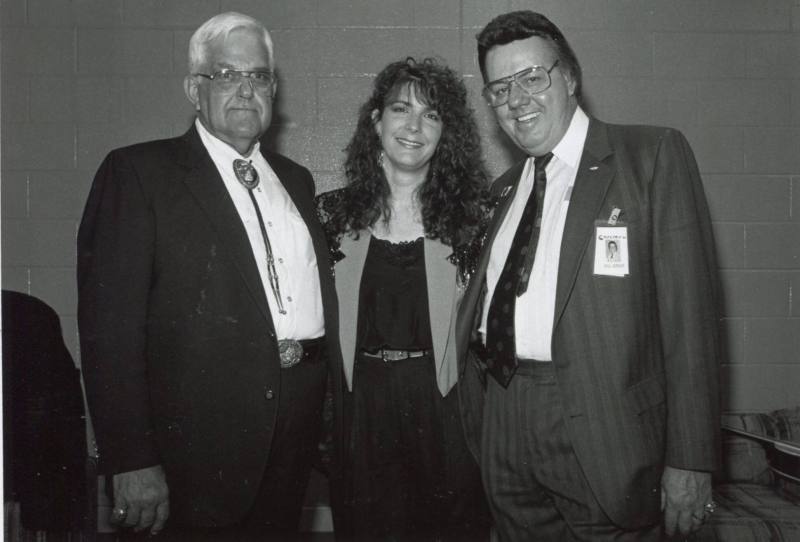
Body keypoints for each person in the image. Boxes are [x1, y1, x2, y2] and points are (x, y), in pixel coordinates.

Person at [456, 11, 721, 541]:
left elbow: (690, 322)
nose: (517, 99)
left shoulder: (650, 156)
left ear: (570, 77)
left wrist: (691, 459)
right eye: (499, 89)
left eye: (532, 77)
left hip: (605, 434)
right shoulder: (502, 191)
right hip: (505, 419)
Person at [77, 12, 342, 540]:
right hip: (192, 456)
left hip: (292, 440)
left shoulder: (295, 180)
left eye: (259, 76)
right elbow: (110, 331)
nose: (246, 89)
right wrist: (129, 458)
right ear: (193, 89)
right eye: (226, 75)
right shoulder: (138, 174)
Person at [316, 57, 491, 541]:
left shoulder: (474, 223)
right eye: (400, 109)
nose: (414, 126)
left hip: (446, 409)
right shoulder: (329, 216)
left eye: (431, 115)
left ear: (445, 132)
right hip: (361, 409)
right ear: (376, 121)